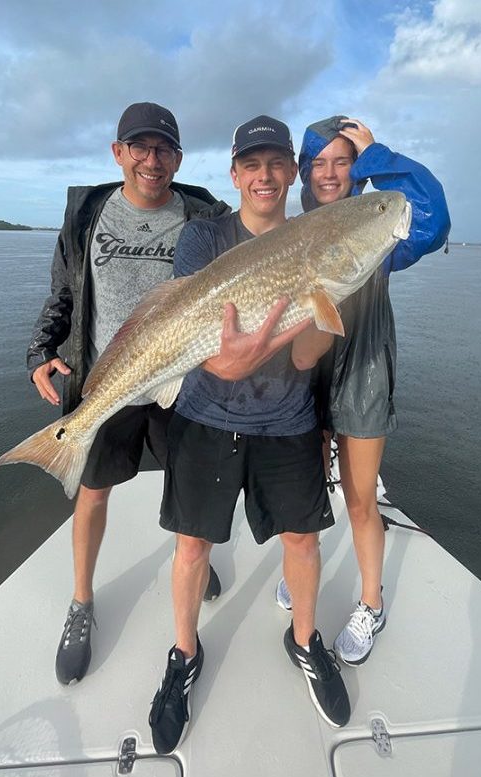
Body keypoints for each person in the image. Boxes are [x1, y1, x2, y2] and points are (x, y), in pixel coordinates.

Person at [148, 116, 350, 755]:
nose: (264, 175)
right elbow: (201, 342)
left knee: (303, 539)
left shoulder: (315, 237)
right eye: (251, 165)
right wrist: (224, 362)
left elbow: (303, 359)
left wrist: (330, 292)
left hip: (287, 419)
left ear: (292, 173)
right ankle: (184, 653)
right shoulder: (203, 237)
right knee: (191, 546)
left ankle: (305, 640)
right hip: (206, 417)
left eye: (275, 164)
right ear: (235, 175)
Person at [26, 102, 229, 685]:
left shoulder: (204, 217)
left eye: (164, 148)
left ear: (180, 159)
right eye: (139, 147)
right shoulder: (88, 214)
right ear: (117, 153)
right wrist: (41, 350)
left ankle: (192, 562)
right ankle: (81, 602)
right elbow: (63, 290)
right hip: (106, 381)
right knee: (91, 495)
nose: (151, 159)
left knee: (188, 489)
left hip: (183, 382)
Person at [275, 116, 450, 666]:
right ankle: (304, 572)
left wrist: (377, 153)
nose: (330, 173)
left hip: (364, 368)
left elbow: (432, 217)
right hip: (304, 372)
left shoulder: (379, 227)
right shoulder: (289, 230)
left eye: (342, 161)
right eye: (318, 163)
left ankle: (370, 603)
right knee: (302, 492)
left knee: (358, 497)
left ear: (357, 170)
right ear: (305, 172)